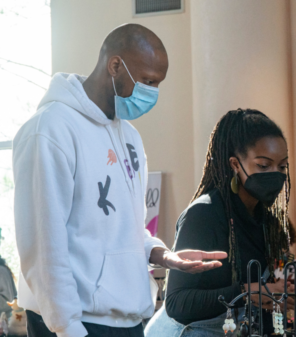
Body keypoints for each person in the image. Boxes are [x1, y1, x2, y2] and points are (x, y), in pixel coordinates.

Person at [12, 24, 226, 337]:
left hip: (127, 321)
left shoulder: (129, 136)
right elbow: (43, 243)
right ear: (115, 66)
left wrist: (162, 255)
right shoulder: (50, 129)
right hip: (74, 324)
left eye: (158, 84)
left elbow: (125, 226)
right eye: (148, 81)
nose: (152, 92)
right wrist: (67, 327)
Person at [145, 109, 296, 337]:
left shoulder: (269, 224)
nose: (275, 175)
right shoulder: (204, 214)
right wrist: (247, 292)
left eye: (282, 167)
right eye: (264, 166)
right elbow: (177, 303)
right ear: (235, 164)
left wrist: (275, 295)